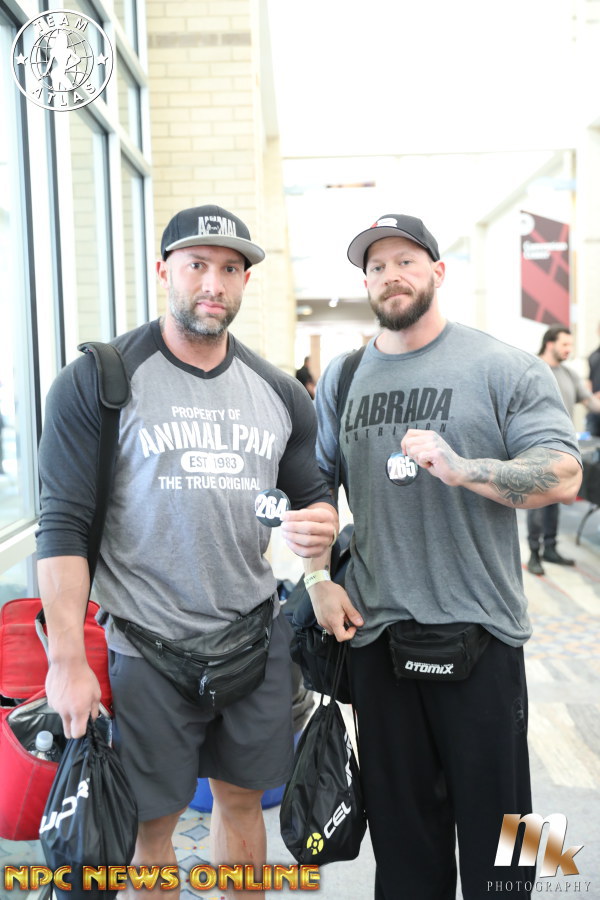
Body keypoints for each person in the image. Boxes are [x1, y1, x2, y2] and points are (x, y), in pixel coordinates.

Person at [35, 204, 338, 900]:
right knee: (154, 825)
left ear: (245, 281)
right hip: (148, 645)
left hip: (254, 638)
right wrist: (67, 660)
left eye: (230, 268)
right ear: (163, 269)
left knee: (243, 803)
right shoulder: (99, 380)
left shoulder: (278, 391)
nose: (213, 283)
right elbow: (62, 525)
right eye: (197, 264)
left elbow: (314, 495)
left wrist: (317, 537)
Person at [305, 213, 582, 900]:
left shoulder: (503, 365)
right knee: (404, 850)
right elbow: (315, 488)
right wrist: (315, 580)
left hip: (485, 634)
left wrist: (464, 470)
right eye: (375, 266)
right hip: (378, 640)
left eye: (405, 260)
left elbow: (564, 472)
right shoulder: (343, 376)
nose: (390, 275)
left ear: (438, 271)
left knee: (512, 839)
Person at [526, 325, 600, 575]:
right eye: (565, 344)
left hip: (562, 451)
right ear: (550, 343)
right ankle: (534, 552)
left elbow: (591, 403)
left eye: (571, 345)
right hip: (534, 448)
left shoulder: (569, 375)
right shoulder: (530, 369)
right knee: (537, 503)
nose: (569, 349)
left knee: (554, 501)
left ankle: (550, 548)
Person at [585, 325, 600, 436]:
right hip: (595, 410)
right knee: (592, 441)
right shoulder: (593, 355)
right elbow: (589, 380)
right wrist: (588, 395)